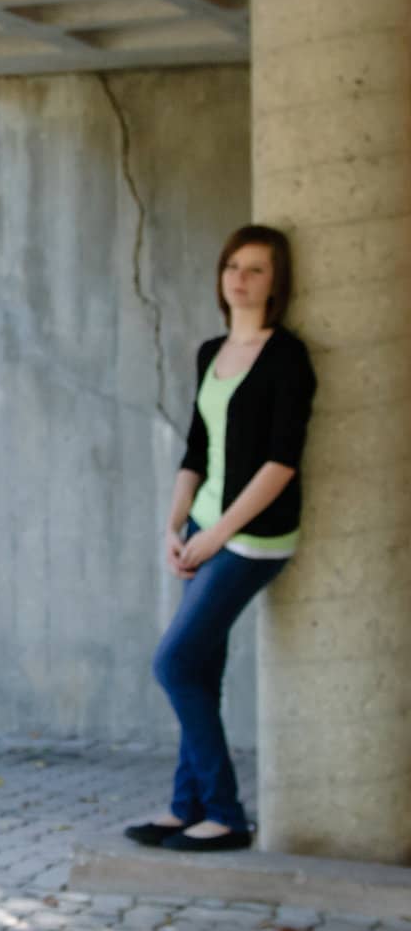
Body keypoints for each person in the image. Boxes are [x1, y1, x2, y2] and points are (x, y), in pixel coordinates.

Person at [125, 224, 315, 853]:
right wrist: (175, 526)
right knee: (201, 667)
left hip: (254, 535)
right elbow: (198, 447)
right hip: (206, 529)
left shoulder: (287, 355)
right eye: (233, 264)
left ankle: (227, 816)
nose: (241, 277)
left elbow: (282, 461)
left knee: (174, 662)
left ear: (275, 281)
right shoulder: (211, 352)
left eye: (257, 268)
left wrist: (218, 535)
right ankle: (188, 807)